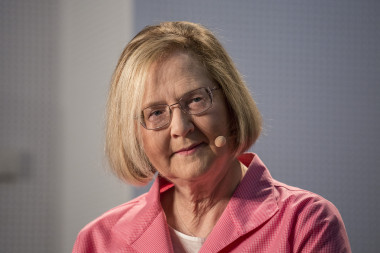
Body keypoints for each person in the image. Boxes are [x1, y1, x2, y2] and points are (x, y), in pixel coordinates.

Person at [73, 21, 351, 252]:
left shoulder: (307, 222)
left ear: (230, 104)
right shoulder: (98, 241)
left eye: (195, 100)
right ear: (136, 134)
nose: (181, 127)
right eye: (156, 113)